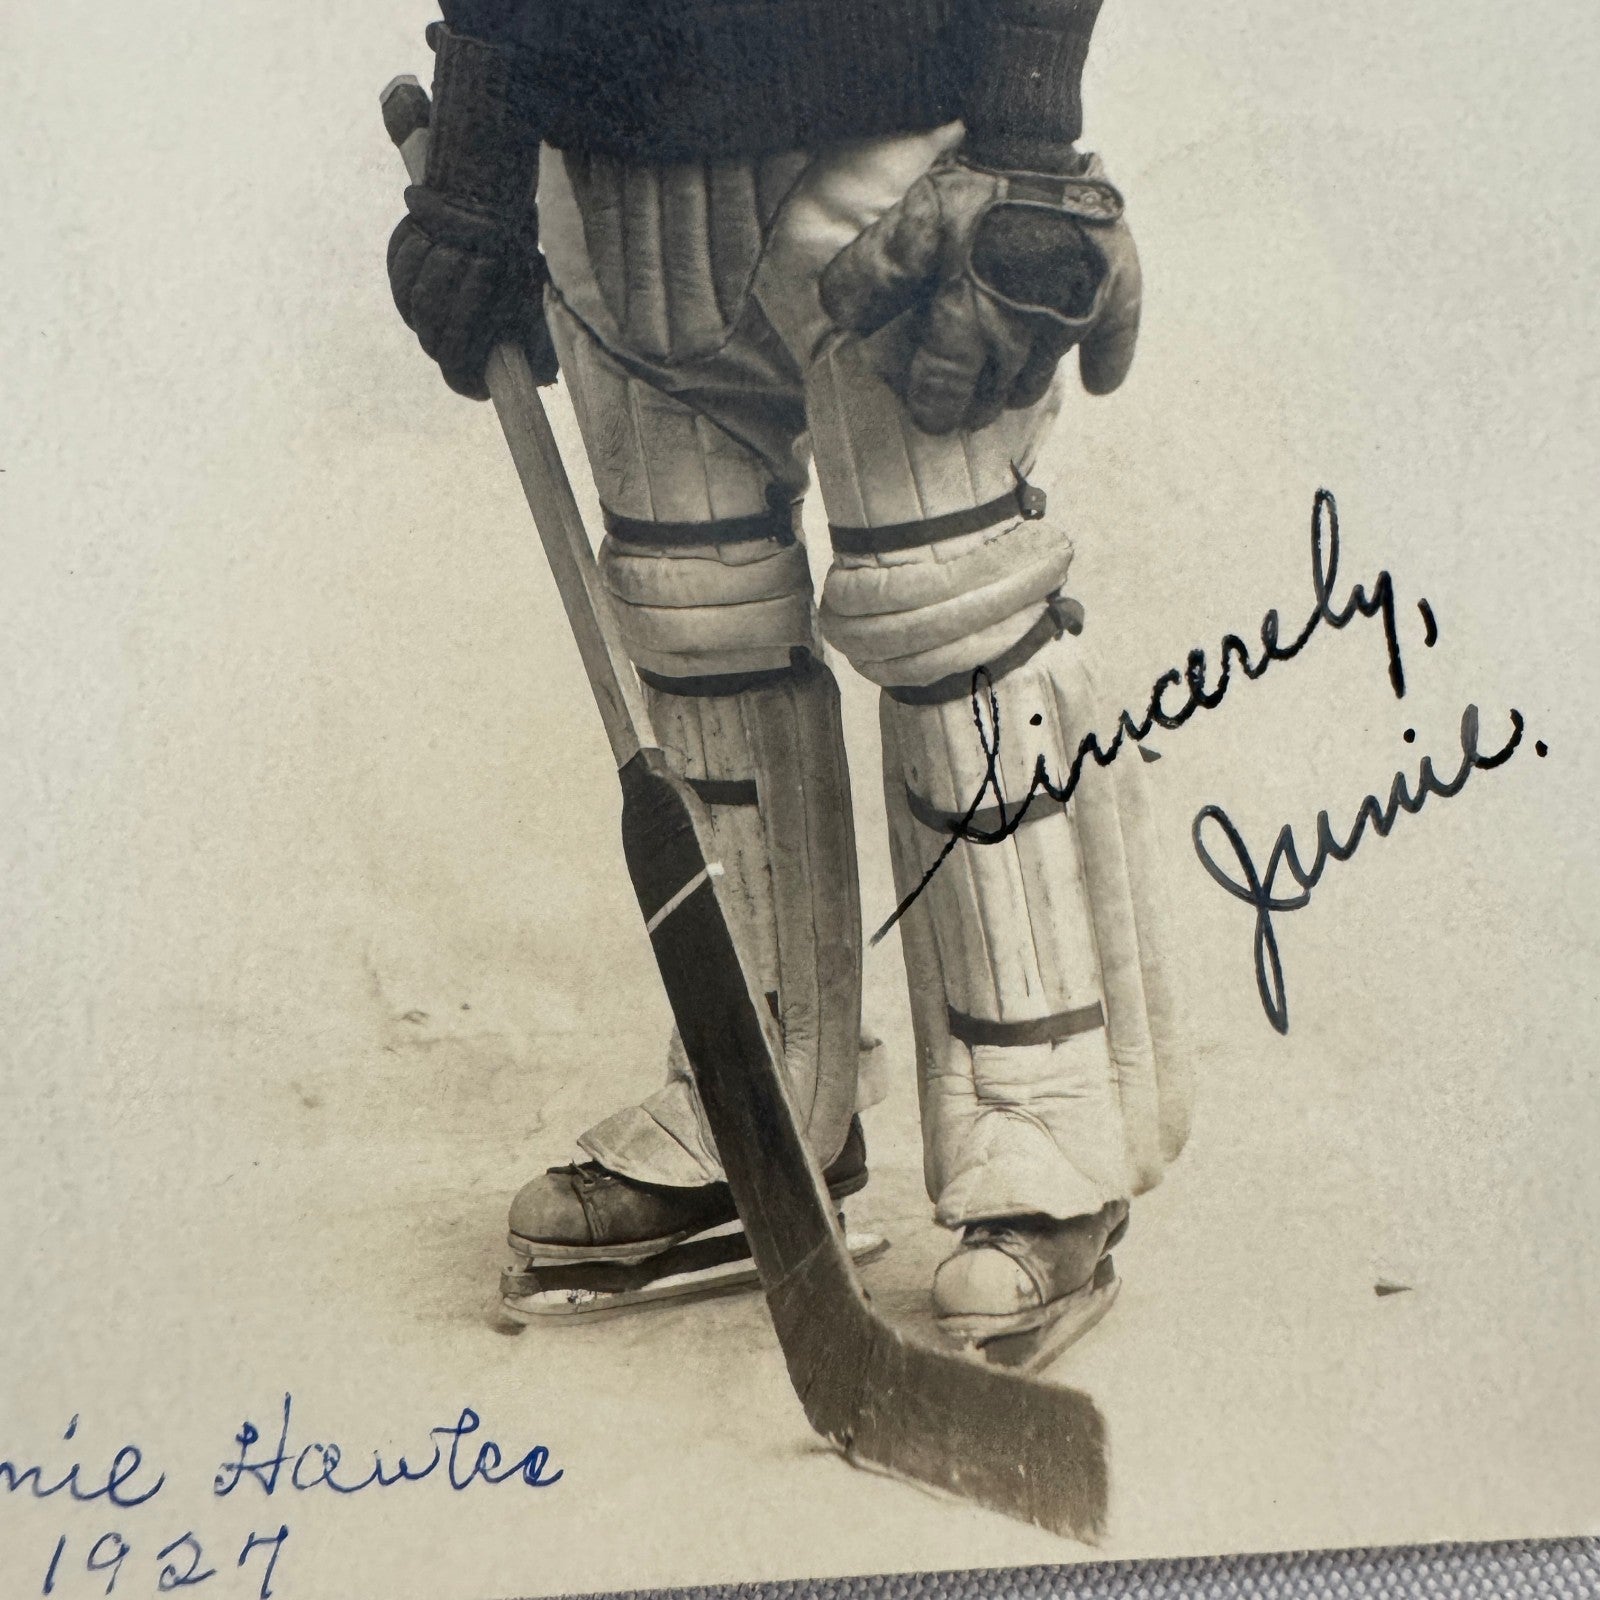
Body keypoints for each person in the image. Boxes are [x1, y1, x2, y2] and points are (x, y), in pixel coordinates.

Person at [387, 0, 1189, 1362]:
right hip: (614, 147)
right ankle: (753, 1103)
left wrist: (1030, 138)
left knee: (953, 610)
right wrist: (474, 156)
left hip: (897, 140)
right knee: (695, 615)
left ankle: (1041, 1120)